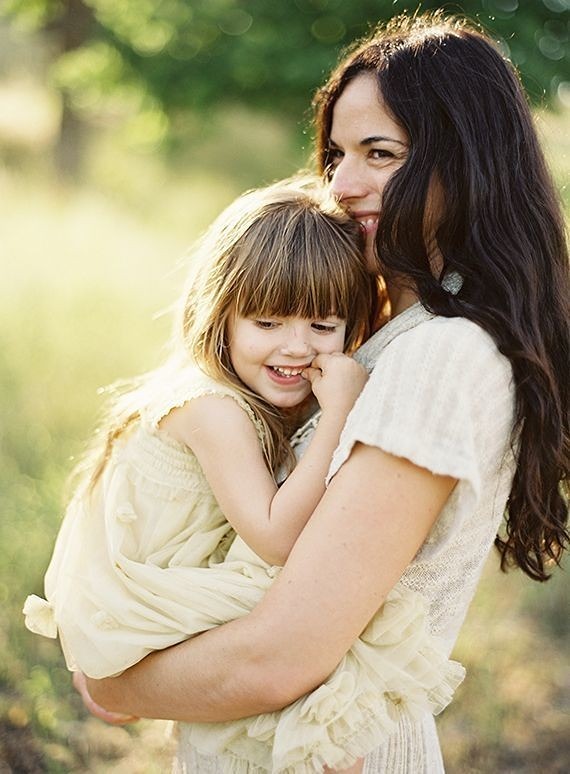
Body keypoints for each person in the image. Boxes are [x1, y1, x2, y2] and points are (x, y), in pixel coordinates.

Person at [73, 11, 569, 773]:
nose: (342, 182)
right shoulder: (377, 331)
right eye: (337, 154)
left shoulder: (443, 355)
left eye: (380, 153)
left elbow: (282, 656)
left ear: (464, 162)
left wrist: (116, 679)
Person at [24, 178, 465, 772]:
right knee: (325, 614)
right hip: (156, 592)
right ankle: (321, 744)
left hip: (182, 578)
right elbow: (276, 537)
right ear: (220, 316)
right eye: (267, 323)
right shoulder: (214, 410)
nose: (296, 347)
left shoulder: (255, 393)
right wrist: (339, 414)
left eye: (323, 324)